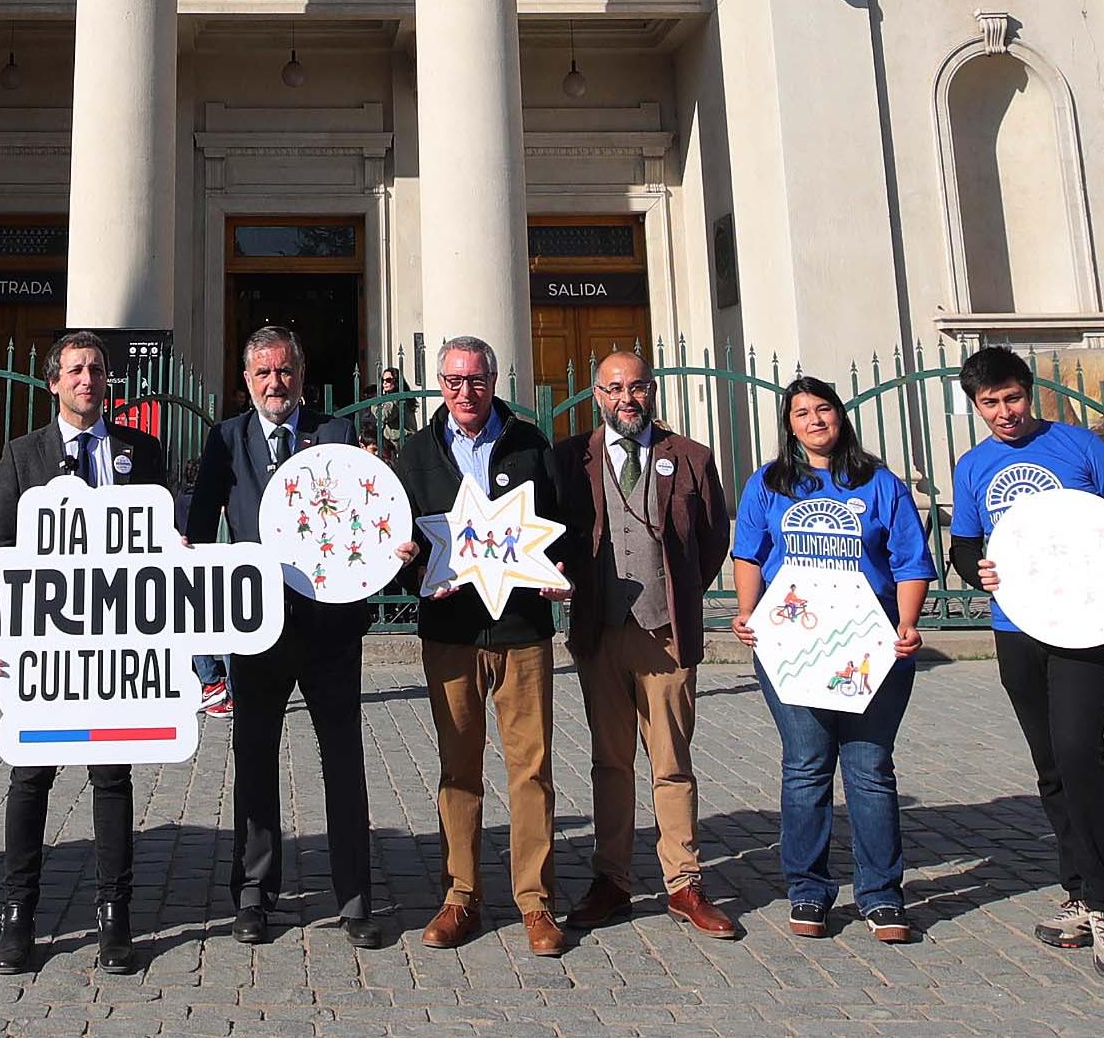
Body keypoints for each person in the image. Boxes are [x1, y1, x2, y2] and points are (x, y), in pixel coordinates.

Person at [947, 346, 1104, 980]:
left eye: (1013, 398)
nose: (1005, 412)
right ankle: (1076, 888)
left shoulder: (1078, 446)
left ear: (1029, 392)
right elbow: (964, 546)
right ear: (976, 406)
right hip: (1016, 626)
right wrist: (975, 571)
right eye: (990, 403)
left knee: (1079, 750)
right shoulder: (974, 466)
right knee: (1049, 766)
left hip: (1084, 621)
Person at [185, 326, 385, 950]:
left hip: (329, 629)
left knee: (343, 763)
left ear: (302, 375)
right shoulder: (226, 439)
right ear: (246, 381)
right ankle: (254, 896)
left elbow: (371, 516)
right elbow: (196, 524)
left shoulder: (337, 434)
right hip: (256, 628)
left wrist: (391, 547)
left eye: (286, 371)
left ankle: (354, 899)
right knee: (254, 762)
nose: (276, 383)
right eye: (263, 373)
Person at [0, 331, 175, 977]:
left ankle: (114, 918)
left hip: (116, 649)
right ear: (54, 382)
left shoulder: (140, 452)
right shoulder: (22, 454)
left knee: (111, 776)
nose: (87, 379)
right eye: (75, 370)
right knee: (30, 777)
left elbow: (162, 546)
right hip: (42, 647)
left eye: (96, 369)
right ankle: (19, 918)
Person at [388, 335, 584, 958]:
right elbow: (400, 540)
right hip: (451, 634)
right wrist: (412, 575)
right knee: (457, 769)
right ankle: (460, 896)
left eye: (475, 380)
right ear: (438, 384)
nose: (464, 392)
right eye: (452, 381)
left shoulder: (530, 443)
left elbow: (560, 528)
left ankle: (535, 901)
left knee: (531, 770)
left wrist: (556, 572)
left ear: (494, 380)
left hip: (522, 631)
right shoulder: (416, 453)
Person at [729, 376, 935, 943]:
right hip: (792, 646)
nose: (815, 420)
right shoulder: (768, 484)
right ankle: (809, 890)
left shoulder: (879, 482)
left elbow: (911, 559)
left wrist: (909, 623)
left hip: (873, 644)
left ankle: (880, 895)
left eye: (823, 409)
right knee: (806, 768)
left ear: (840, 416)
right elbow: (749, 552)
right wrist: (748, 613)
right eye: (801, 413)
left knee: (870, 770)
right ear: (788, 425)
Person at [548, 351, 738, 941]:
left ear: (650, 392)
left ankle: (684, 880)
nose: (625, 398)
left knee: (672, 762)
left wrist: (675, 597)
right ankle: (612, 880)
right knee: (610, 761)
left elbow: (711, 542)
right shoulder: (568, 459)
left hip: (664, 635)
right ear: (596, 396)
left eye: (636, 387)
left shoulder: (690, 458)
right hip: (600, 633)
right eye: (613, 389)